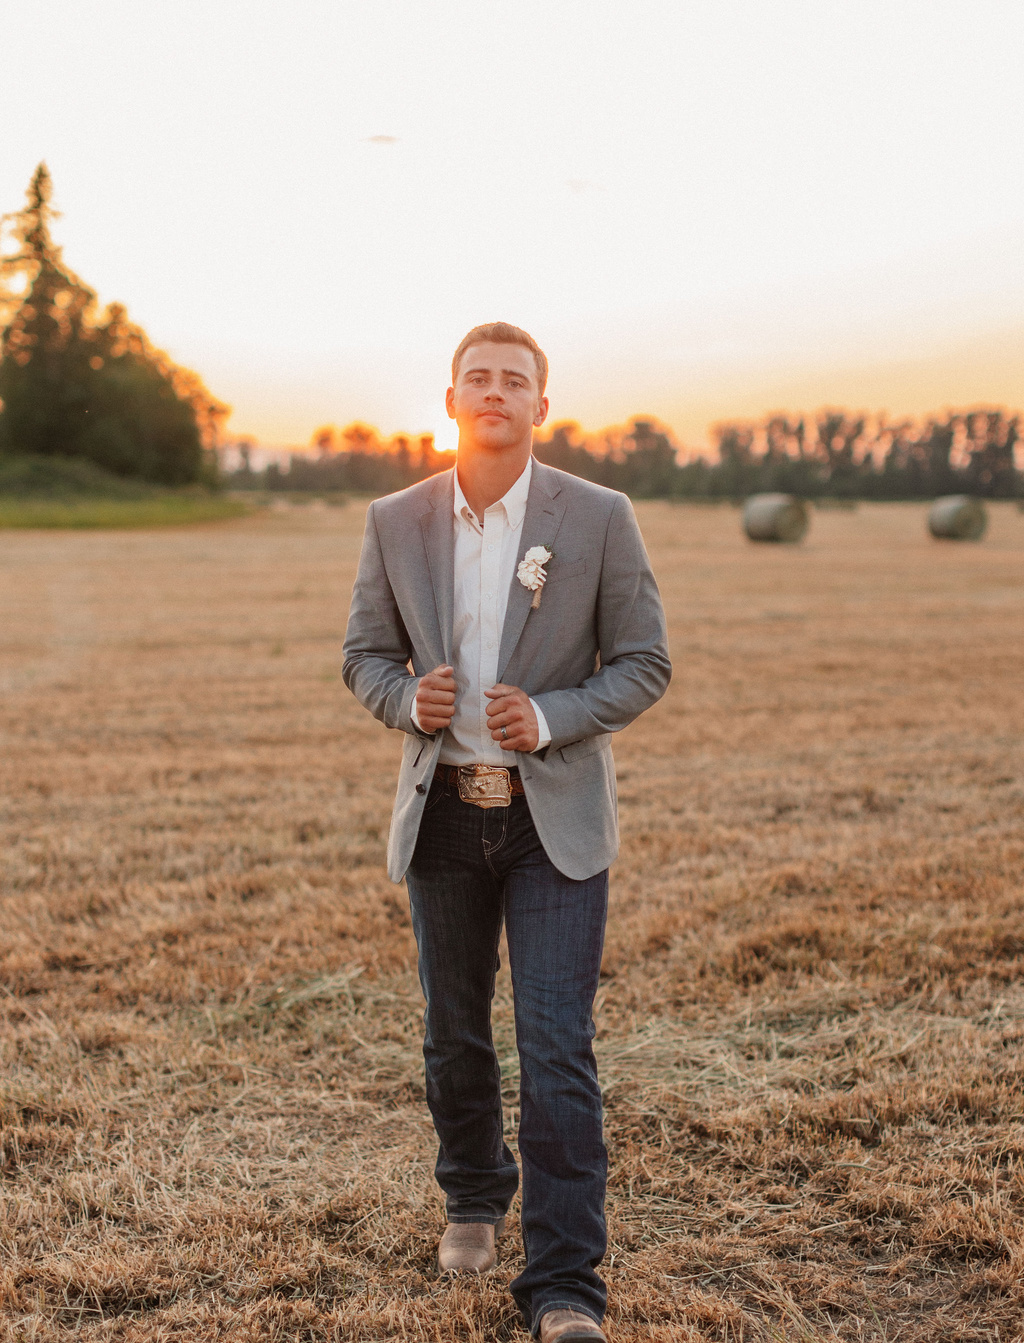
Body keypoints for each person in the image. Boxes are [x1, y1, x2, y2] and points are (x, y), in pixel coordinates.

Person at [342, 322, 671, 1343]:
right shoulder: (395, 519)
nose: (495, 391)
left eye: (514, 381)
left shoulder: (600, 516)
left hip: (551, 819)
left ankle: (567, 1284)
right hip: (441, 810)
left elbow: (644, 660)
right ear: (450, 399)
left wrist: (558, 713)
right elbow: (361, 655)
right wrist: (408, 698)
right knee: (453, 1030)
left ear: (541, 405)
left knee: (557, 1044)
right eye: (477, 378)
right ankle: (474, 1197)